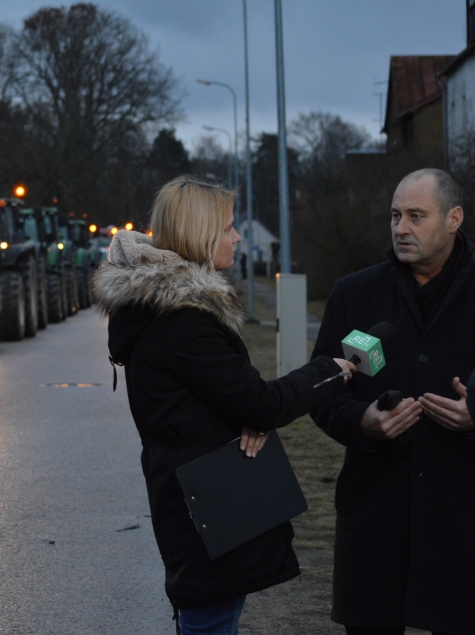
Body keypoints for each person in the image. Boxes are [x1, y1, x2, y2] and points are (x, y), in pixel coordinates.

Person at [94, 176, 355, 634]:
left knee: (210, 617)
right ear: (201, 234)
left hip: (199, 499)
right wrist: (330, 370)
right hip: (206, 508)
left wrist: (248, 416)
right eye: (229, 227)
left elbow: (238, 400)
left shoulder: (169, 311)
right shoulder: (183, 320)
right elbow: (261, 402)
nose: (237, 238)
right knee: (209, 622)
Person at [310, 168, 475, 635]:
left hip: (462, 518)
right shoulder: (355, 295)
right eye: (396, 216)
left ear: (453, 219)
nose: (401, 228)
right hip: (376, 516)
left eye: (416, 216)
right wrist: (363, 420)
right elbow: (322, 392)